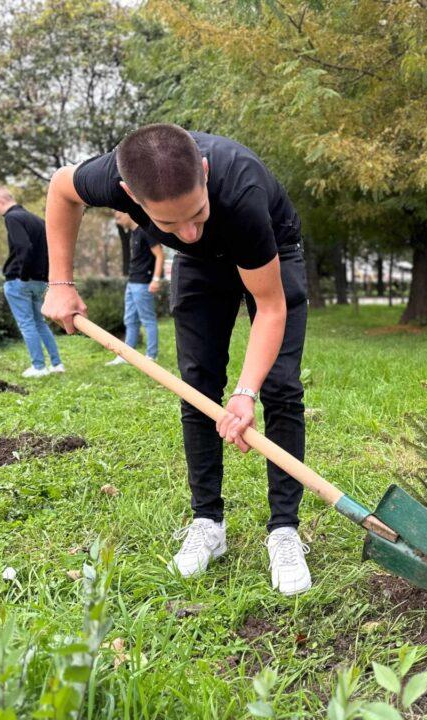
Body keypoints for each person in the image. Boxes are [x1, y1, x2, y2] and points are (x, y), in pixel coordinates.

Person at [42, 124, 311, 594]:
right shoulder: (111, 178)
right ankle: (208, 522)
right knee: (197, 386)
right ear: (129, 196)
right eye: (168, 225)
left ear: (204, 173)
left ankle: (283, 528)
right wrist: (60, 283)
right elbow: (61, 190)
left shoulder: (240, 188)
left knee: (280, 387)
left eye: (196, 213)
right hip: (199, 266)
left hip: (270, 251)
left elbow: (270, 309)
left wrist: (245, 393)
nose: (187, 230)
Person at [0, 186, 64, 378]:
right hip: (39, 281)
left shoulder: (12, 218)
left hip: (21, 281)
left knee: (27, 323)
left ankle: (38, 367)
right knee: (40, 323)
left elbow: (23, 247)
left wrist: (22, 275)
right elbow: (48, 250)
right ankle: (56, 364)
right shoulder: (36, 219)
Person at [106, 211, 165, 365]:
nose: (118, 222)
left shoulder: (146, 231)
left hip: (144, 284)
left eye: (118, 217)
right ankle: (126, 355)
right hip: (132, 283)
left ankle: (152, 356)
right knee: (130, 320)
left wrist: (156, 280)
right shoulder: (134, 233)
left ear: (127, 214)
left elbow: (159, 255)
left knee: (148, 320)